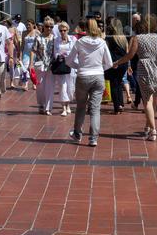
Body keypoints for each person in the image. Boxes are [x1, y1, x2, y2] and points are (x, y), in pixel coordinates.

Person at [112, 14, 157, 141]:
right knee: (153, 100)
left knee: (146, 100)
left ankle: (153, 130)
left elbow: (130, 55)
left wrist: (118, 62)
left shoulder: (138, 38)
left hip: (144, 69)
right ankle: (148, 126)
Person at [66, 18, 113, 147]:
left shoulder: (79, 42)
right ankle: (93, 138)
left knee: (81, 106)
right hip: (98, 76)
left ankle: (77, 133)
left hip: (83, 76)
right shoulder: (102, 42)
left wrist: (79, 66)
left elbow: (68, 61)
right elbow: (109, 63)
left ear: (85, 28)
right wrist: (99, 69)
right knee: (95, 109)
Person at [30, 18, 55, 114]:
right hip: (40, 65)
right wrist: (30, 64)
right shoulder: (38, 37)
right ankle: (41, 104)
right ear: (43, 27)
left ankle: (48, 108)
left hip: (51, 66)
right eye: (47, 26)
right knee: (40, 86)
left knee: (50, 87)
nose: (49, 28)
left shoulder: (54, 38)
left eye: (51, 27)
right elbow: (33, 50)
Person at [104, 18, 130, 114]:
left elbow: (106, 52)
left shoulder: (109, 37)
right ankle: (121, 104)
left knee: (114, 85)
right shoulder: (123, 37)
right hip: (123, 63)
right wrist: (128, 65)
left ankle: (117, 106)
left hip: (114, 63)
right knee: (119, 83)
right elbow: (127, 52)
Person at [51, 21, 76, 116]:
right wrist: (60, 55)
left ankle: (68, 105)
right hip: (60, 65)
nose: (62, 32)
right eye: (60, 30)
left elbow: (76, 52)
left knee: (70, 87)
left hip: (71, 66)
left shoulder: (73, 39)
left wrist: (68, 56)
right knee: (62, 86)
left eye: (64, 30)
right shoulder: (56, 40)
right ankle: (64, 108)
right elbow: (55, 53)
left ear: (68, 30)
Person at [20, 20, 38, 90]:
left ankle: (34, 83)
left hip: (34, 53)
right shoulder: (24, 33)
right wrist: (20, 54)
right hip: (26, 53)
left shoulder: (37, 32)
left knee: (32, 69)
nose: (27, 26)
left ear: (33, 25)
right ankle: (25, 84)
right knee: (24, 68)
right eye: (27, 25)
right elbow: (22, 45)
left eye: (29, 25)